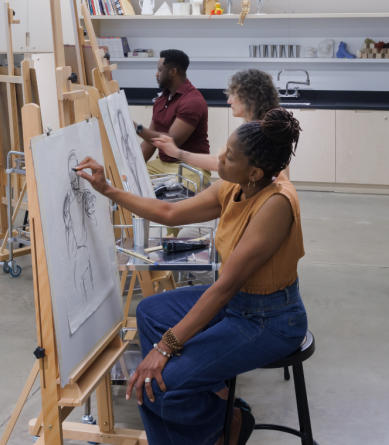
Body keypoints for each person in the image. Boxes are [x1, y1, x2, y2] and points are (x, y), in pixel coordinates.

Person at [76, 108, 306, 445]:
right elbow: (169, 213)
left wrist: (165, 347)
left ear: (255, 172)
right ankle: (226, 414)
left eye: (228, 157)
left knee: (158, 383)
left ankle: (222, 423)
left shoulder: (276, 205)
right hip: (239, 306)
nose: (219, 159)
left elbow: (224, 288)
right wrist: (107, 189)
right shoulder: (235, 186)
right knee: (150, 312)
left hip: (269, 320)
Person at [152, 69, 280, 173]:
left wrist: (177, 152)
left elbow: (218, 163)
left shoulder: (259, 134)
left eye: (234, 95)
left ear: (250, 98)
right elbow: (218, 160)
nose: (229, 101)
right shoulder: (259, 127)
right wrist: (177, 152)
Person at [133, 49, 211, 190]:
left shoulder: (192, 101)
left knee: (175, 197)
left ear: (173, 72)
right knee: (128, 182)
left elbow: (171, 141)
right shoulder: (161, 99)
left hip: (190, 165)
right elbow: (150, 142)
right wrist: (132, 165)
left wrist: (137, 128)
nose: (156, 74)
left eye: (160, 70)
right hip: (161, 163)